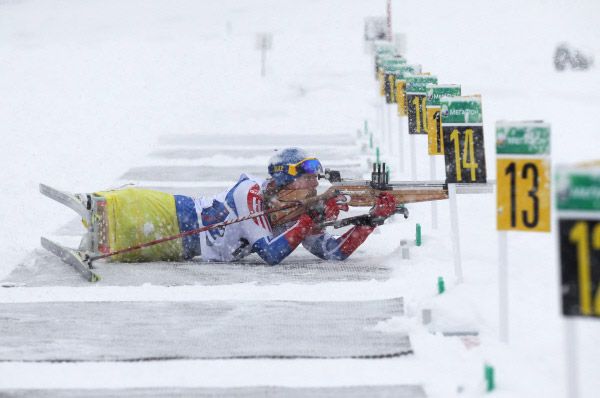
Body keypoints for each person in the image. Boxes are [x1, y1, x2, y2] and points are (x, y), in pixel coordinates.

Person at [78, 147, 397, 264]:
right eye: (308, 178)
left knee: (121, 244)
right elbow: (271, 255)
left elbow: (334, 253)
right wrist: (307, 221)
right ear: (286, 179)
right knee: (121, 211)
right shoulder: (250, 193)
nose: (316, 185)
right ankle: (93, 204)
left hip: (177, 249)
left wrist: (370, 221)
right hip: (168, 215)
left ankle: (97, 233)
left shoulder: (296, 214)